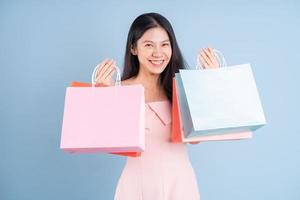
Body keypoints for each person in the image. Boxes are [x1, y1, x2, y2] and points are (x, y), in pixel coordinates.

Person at [95, 12, 220, 200]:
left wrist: (208, 83)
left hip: (179, 185)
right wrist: (102, 95)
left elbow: (195, 138)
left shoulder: (182, 88)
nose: (158, 53)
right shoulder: (119, 90)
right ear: (133, 48)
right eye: (148, 45)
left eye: (164, 44)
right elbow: (109, 141)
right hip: (136, 186)